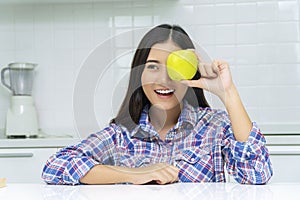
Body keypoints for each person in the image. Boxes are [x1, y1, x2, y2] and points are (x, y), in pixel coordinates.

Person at [42, 24, 273, 185]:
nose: (163, 80)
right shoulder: (121, 135)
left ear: (189, 73)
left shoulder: (215, 126)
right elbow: (56, 166)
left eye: (174, 67)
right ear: (139, 74)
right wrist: (134, 174)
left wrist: (228, 93)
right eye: (152, 66)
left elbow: (257, 174)